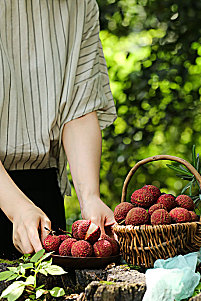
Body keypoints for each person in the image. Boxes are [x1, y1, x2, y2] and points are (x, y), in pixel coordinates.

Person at [0, 0, 117, 259]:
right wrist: (17, 208)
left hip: (42, 191)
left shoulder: (81, 5)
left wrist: (90, 198)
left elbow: (80, 105)